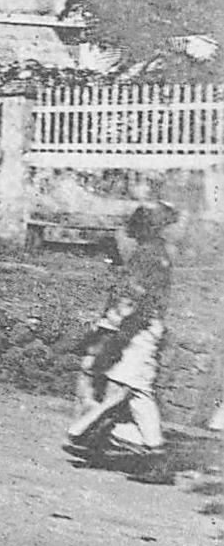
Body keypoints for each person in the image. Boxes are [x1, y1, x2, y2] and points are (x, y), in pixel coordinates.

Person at [64, 203, 179, 484]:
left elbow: (133, 298)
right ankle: (99, 437)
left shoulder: (148, 254)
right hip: (142, 326)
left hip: (141, 328)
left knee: (136, 391)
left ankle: (154, 456)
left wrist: (108, 326)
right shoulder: (157, 251)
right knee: (123, 386)